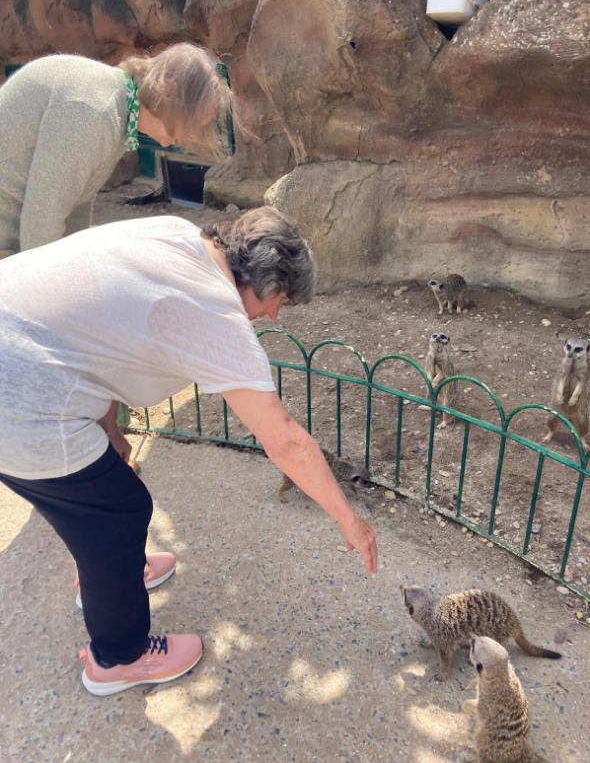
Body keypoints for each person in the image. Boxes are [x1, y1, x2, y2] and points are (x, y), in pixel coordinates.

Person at [0, 206, 378, 696]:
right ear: (265, 281)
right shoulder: (214, 312)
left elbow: (98, 327)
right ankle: (117, 658)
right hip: (18, 402)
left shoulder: (177, 235)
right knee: (116, 512)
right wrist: (351, 521)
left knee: (103, 496)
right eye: (280, 300)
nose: (274, 316)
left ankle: (112, 575)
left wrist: (111, 432)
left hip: (18, 344)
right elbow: (283, 438)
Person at [0, 42, 230, 254]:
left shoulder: (119, 108)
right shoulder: (96, 111)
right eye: (191, 121)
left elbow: (76, 202)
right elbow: (42, 217)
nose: (189, 136)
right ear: (168, 91)